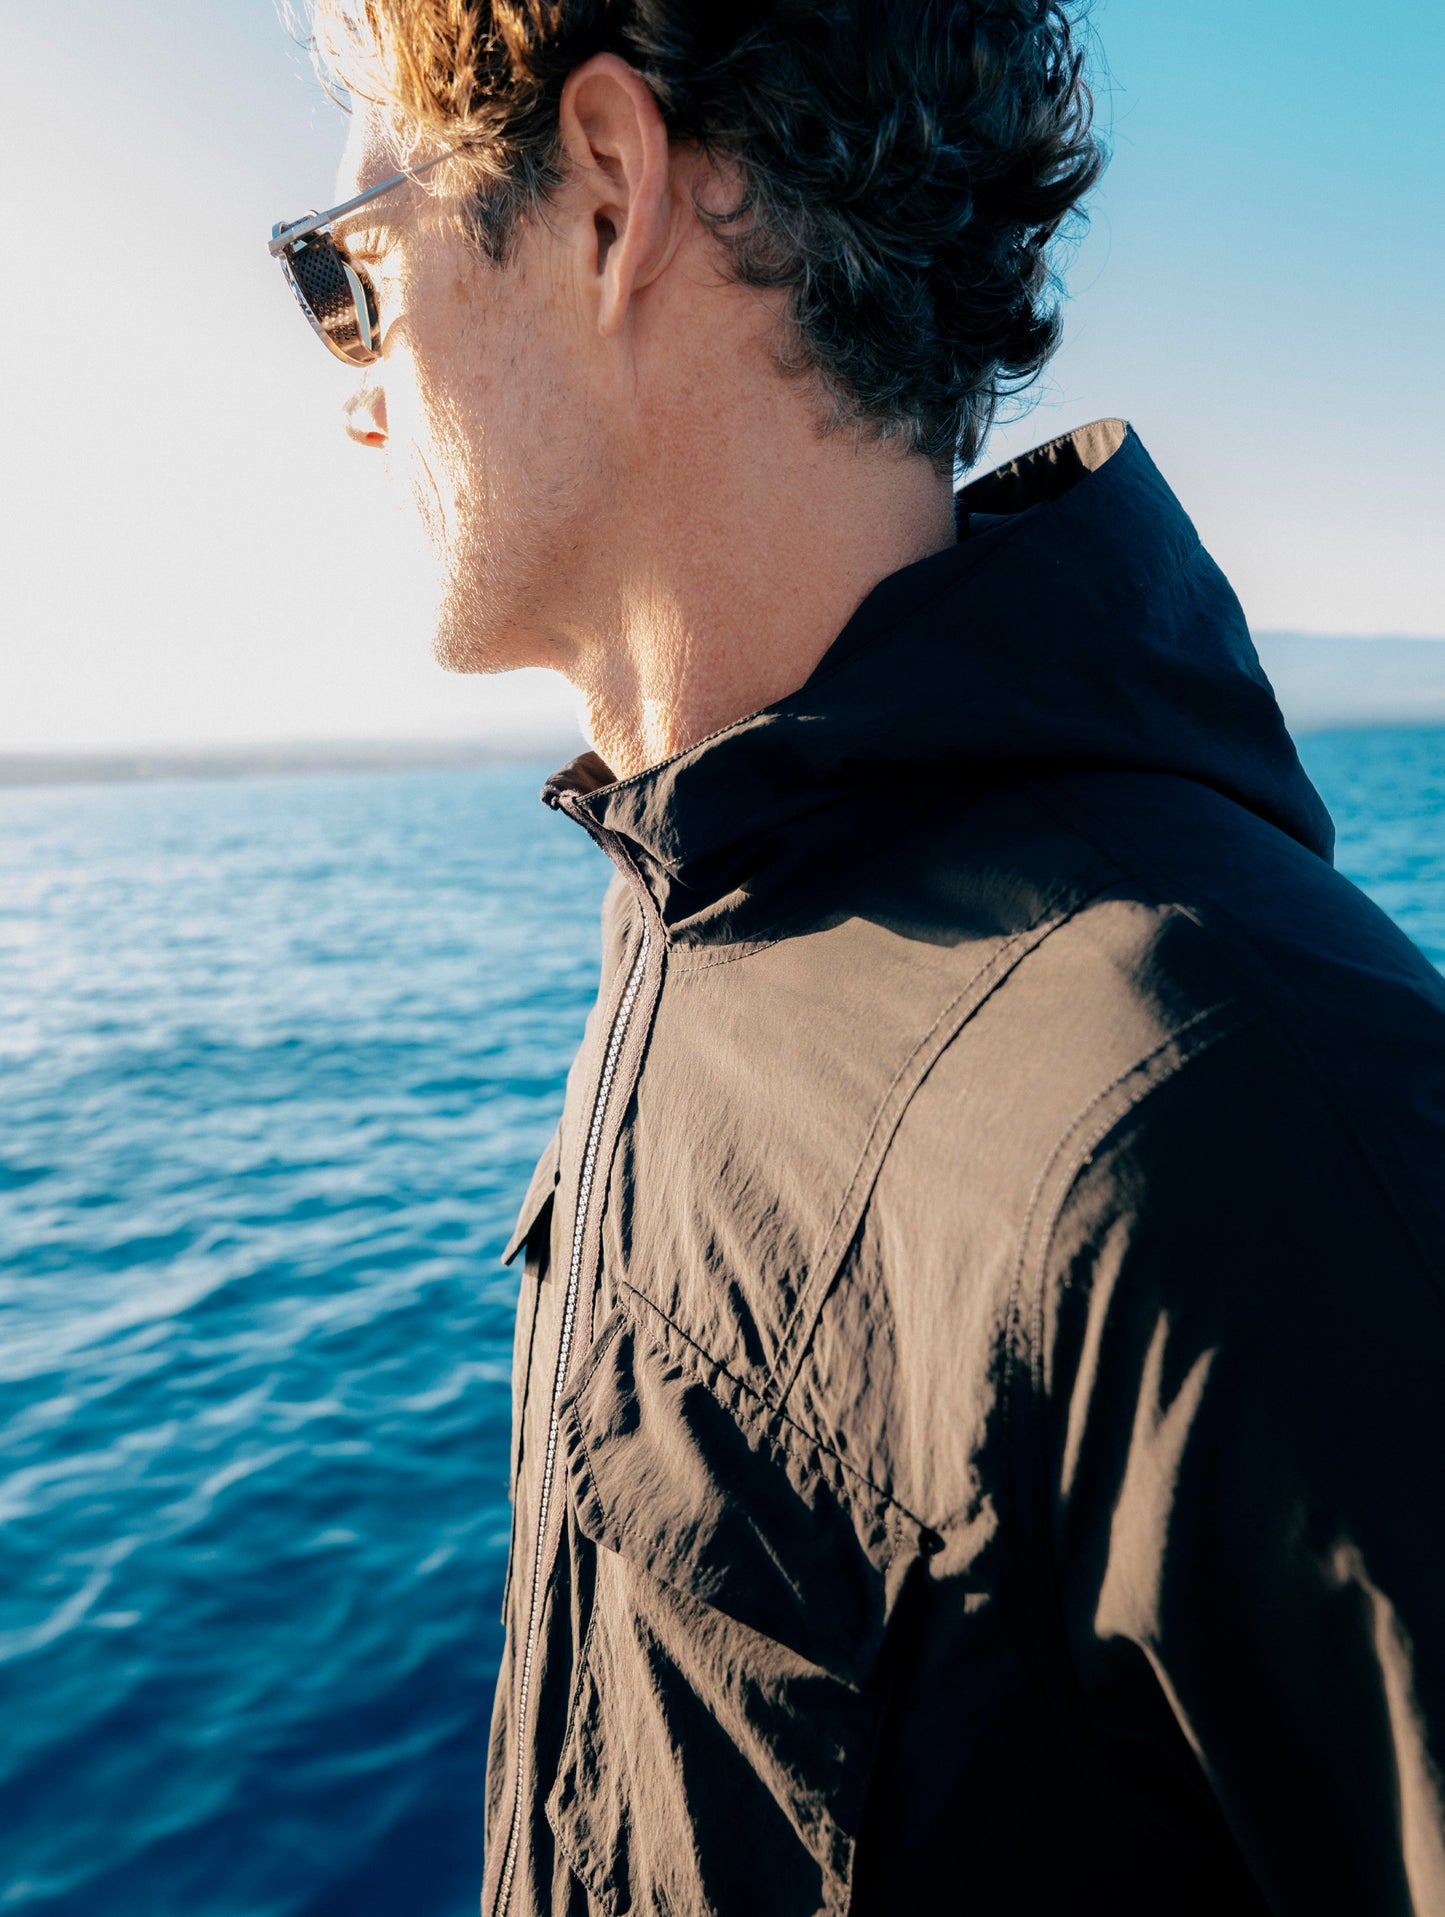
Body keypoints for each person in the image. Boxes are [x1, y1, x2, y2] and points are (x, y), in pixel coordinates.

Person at [270, 4, 1445, 1912]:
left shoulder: (1233, 1108)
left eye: (345, 271)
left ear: (603, 196)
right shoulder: (699, 897)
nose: (350, 384)